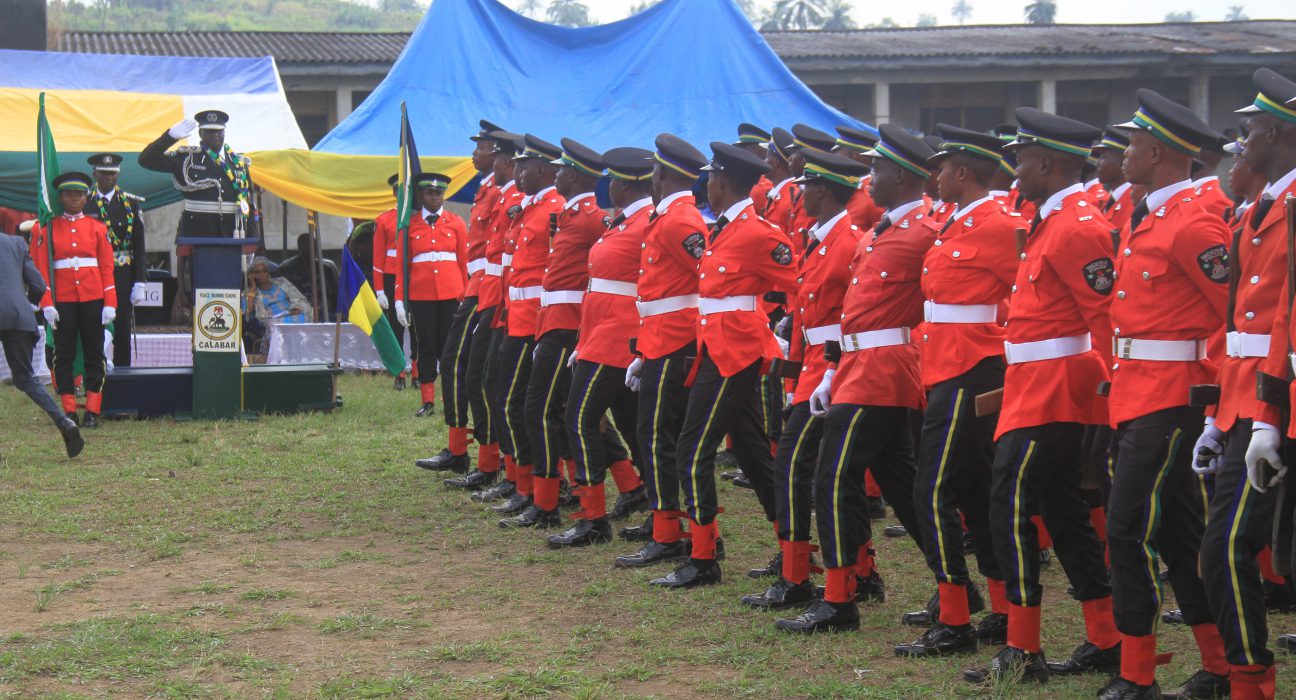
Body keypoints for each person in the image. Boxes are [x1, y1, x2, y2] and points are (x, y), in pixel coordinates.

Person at [949, 112, 1118, 683]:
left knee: (1010, 505)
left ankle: (1024, 649)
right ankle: (1105, 635)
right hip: (1033, 384)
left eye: (1020, 158)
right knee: (1064, 511)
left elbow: (1107, 321)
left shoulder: (1078, 226)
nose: (1013, 168)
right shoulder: (1051, 219)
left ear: (1047, 163)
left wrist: (1116, 401)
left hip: (1057, 390)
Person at [1101, 89, 1231, 700]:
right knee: (1178, 535)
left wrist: (1219, 400)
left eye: (1131, 144)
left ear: (1157, 151)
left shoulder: (1193, 221)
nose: (1123, 153)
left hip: (1172, 398)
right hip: (1138, 393)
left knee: (1128, 531)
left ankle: (1137, 674)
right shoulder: (1150, 212)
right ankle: (1219, 664)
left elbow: (1235, 318)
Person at [644, 142, 795, 590]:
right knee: (751, 453)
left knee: (693, 449)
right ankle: (792, 550)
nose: (706, 185)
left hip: (736, 354)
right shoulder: (726, 229)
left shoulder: (757, 232)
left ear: (722, 182)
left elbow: (800, 283)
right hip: (720, 350)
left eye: (710, 178)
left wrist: (791, 334)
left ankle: (703, 556)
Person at [739, 148, 868, 612]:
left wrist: (831, 372)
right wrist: (796, 373)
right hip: (815, 365)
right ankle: (860, 571)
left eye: (809, 186)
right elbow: (805, 315)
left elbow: (853, 317)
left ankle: (799, 578)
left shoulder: (850, 242)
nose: (800, 195)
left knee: (796, 469)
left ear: (827, 192)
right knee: (826, 475)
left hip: (839, 367)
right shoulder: (820, 239)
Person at [1203, 68, 1296, 700]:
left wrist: (1269, 415)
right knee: (1227, 548)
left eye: (1250, 132)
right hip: (1246, 399)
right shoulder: (1263, 209)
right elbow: (1237, 322)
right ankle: (1248, 681)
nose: (1241, 145)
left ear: (1276, 133)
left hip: (1274, 403)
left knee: (1235, 548)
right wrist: (1217, 412)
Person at [550, 146, 656, 548]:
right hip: (601, 337)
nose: (607, 185)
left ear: (627, 183)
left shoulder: (647, 222)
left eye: (613, 179)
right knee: (633, 429)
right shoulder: (623, 221)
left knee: (580, 419)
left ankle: (593, 518)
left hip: (622, 340)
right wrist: (584, 339)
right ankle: (657, 509)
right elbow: (599, 290)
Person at [500, 138, 607, 529]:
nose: (557, 173)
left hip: (568, 324)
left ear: (573, 175)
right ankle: (560, 496)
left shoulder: (592, 216)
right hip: (550, 320)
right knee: (553, 410)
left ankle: (548, 502)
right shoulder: (568, 215)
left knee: (542, 409)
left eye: (561, 169)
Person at [615, 134, 710, 567]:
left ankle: (670, 533)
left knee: (657, 437)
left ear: (665, 174)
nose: (650, 179)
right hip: (661, 336)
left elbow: (709, 280)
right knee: (656, 436)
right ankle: (669, 527)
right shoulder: (668, 216)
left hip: (677, 339)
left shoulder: (679, 220)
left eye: (654, 171)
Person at [416, 120, 503, 473]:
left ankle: (483, 456)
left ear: (495, 153)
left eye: (479, 147)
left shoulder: (501, 192)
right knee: (455, 363)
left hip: (487, 286)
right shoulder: (487, 188)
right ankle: (458, 447)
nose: (473, 153)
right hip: (476, 284)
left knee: (468, 369)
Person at [492, 135, 566, 522]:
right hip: (516, 314)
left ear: (542, 170)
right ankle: (524, 486)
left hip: (537, 319)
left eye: (523, 167)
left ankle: (534, 490)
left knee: (523, 406)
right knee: (513, 402)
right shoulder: (528, 207)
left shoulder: (554, 208)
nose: (516, 173)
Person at [450, 129, 524, 493]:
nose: (479, 157)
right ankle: (491, 462)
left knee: (493, 384)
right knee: (474, 376)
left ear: (503, 159)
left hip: (501, 297)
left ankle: (504, 468)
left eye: (484, 150)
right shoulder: (498, 193)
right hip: (486, 289)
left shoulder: (512, 198)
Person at [30, 172, 117, 429]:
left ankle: (92, 410)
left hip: (93, 297)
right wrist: (46, 303)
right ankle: (69, 409)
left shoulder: (98, 229)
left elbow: (106, 268)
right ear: (61, 198)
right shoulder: (47, 228)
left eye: (79, 194)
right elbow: (40, 271)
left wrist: (110, 301)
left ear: (86, 197)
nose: (74, 199)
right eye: (68, 194)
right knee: (63, 354)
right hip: (63, 300)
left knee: (94, 353)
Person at [393, 173, 469, 417]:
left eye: (439, 193)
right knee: (425, 346)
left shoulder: (456, 222)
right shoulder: (408, 226)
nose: (435, 197)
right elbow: (402, 267)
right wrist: (398, 299)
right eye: (429, 193)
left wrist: (469, 295)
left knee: (450, 348)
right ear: (421, 195)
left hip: (452, 294)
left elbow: (464, 263)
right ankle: (428, 400)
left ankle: (450, 398)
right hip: (421, 295)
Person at [0, 231, 82, 456]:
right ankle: (64, 422)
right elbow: (38, 284)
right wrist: (28, 304)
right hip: (19, 314)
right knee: (26, 378)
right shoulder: (15, 243)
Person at [139, 110, 253, 238]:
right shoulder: (187, 159)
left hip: (234, 231)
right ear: (200, 133)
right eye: (209, 131)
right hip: (198, 231)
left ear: (224, 132)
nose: (215, 134)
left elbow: (249, 203)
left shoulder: (238, 163)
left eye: (219, 130)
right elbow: (146, 159)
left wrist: (254, 242)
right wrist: (170, 137)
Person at [85, 153, 146, 368]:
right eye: (104, 173)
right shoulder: (85, 203)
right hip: (93, 273)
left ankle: (123, 373)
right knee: (92, 324)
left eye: (113, 174)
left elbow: (139, 245)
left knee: (121, 328)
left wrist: (140, 281)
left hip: (122, 273)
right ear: (95, 174)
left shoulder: (130, 203)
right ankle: (93, 372)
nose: (109, 177)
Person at [371, 173, 411, 390]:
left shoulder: (417, 218)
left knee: (417, 328)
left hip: (414, 276)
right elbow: (377, 259)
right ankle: (399, 374)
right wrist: (379, 291)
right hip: (390, 277)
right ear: (394, 193)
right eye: (399, 191)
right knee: (395, 327)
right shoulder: (384, 219)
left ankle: (419, 373)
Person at [243, 256, 311, 353]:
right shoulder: (249, 292)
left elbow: (299, 299)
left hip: (291, 313)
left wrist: (296, 308)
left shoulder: (281, 282)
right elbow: (247, 312)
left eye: (264, 271)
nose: (262, 274)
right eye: (257, 272)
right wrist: (253, 288)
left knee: (301, 318)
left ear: (268, 272)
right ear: (252, 275)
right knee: (278, 326)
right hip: (271, 319)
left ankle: (300, 354)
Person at [277, 232, 339, 321]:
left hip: (326, 314)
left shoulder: (327, 268)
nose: (311, 249)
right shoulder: (287, 269)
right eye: (307, 246)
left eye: (314, 246)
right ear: (300, 248)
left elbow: (335, 294)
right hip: (299, 314)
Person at [1092, 129, 1136, 234]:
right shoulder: (1109, 201)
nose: (1097, 164)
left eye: (1103, 157)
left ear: (1122, 162)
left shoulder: (1133, 201)